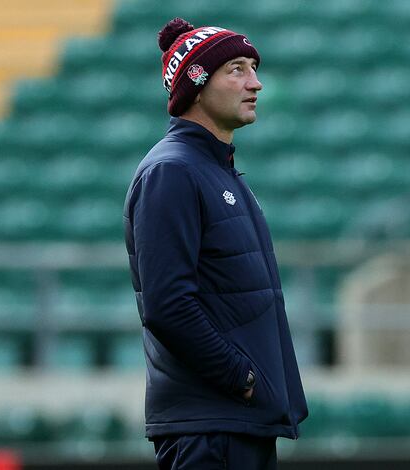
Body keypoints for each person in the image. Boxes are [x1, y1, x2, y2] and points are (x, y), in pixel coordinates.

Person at [122, 17, 309, 470]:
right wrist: (240, 377)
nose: (256, 83)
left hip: (237, 421)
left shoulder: (215, 170)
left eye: (254, 68)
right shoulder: (173, 172)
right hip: (211, 427)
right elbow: (168, 304)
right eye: (238, 69)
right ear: (197, 85)